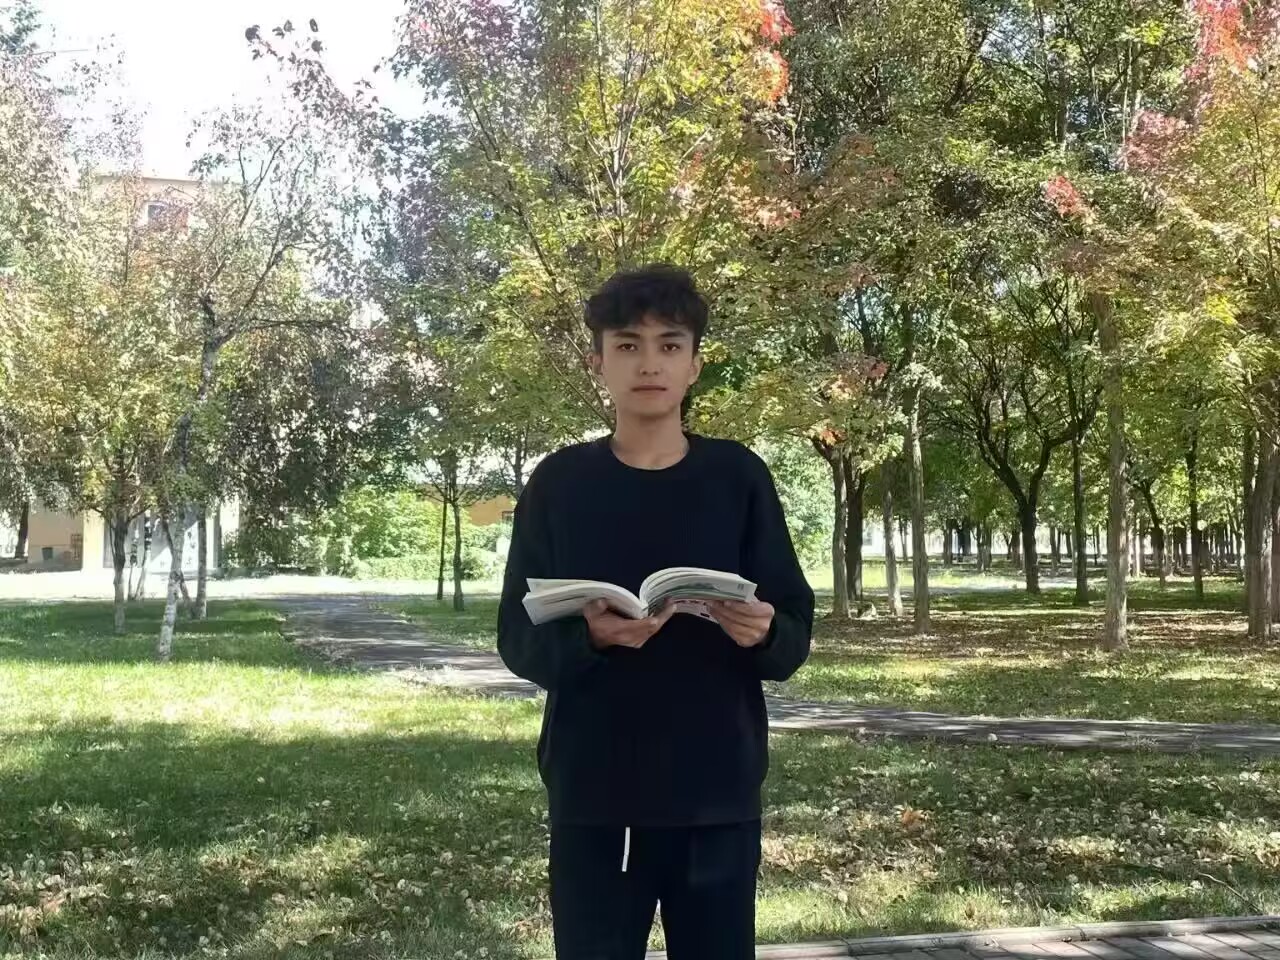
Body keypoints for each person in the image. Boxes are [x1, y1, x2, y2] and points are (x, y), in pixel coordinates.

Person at [497, 263, 815, 960]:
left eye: (670, 345)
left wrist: (764, 631)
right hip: (596, 792)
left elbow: (793, 630)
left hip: (717, 790)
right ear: (598, 362)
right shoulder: (559, 484)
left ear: (694, 364)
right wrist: (590, 638)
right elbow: (517, 640)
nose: (649, 363)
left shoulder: (738, 477)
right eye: (628, 345)